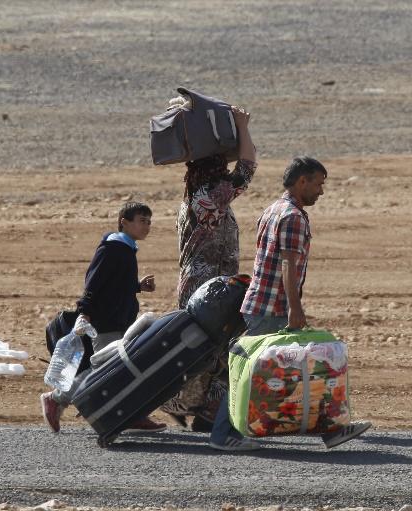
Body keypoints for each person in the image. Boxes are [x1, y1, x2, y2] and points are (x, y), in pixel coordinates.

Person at [209, 156, 372, 451]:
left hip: (262, 302)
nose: (320, 191)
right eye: (318, 184)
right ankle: (223, 435)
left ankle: (331, 430)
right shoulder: (293, 217)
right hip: (273, 308)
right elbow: (288, 265)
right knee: (255, 372)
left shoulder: (273, 209)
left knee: (299, 370)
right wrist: (295, 309)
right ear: (302, 182)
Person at [160, 105, 257, 431]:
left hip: (207, 286)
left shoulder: (196, 198)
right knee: (208, 352)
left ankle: (205, 412)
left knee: (214, 352)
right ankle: (181, 403)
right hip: (207, 289)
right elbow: (246, 170)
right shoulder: (208, 197)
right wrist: (242, 127)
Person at [40, 201, 167, 434]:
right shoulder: (111, 249)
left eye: (149, 222)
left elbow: (114, 285)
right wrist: (84, 313)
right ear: (124, 222)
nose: (147, 226)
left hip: (119, 320)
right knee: (106, 370)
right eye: (142, 221)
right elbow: (93, 283)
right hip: (106, 322)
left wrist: (137, 287)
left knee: (124, 369)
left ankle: (133, 415)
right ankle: (56, 399)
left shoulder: (126, 249)